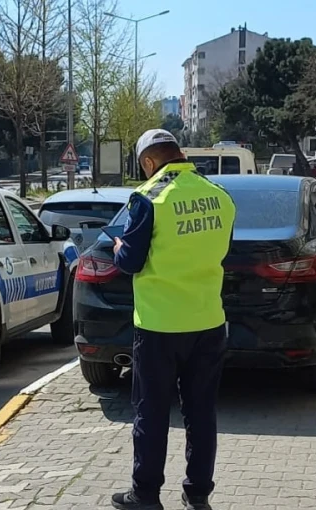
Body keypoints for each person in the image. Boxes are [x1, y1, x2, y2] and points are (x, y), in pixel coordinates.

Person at [111, 129, 236, 510]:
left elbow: (130, 261)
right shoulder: (219, 195)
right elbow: (220, 250)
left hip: (159, 325)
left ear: (149, 161)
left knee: (151, 411)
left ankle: (145, 494)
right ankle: (198, 494)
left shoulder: (149, 198)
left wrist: (119, 245)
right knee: (201, 411)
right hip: (208, 321)